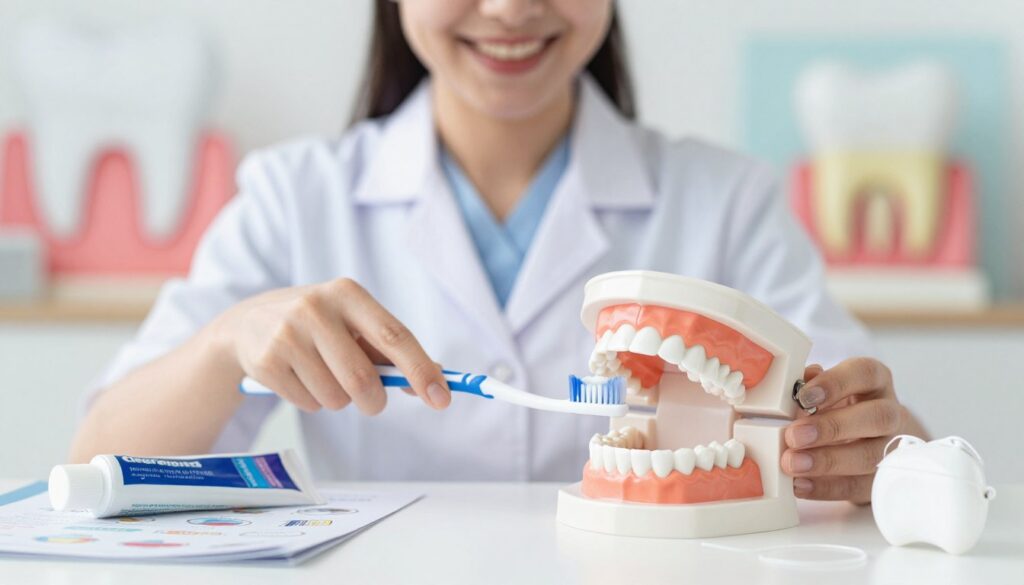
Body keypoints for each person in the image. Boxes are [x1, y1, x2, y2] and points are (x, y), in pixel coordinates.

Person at [71, 0, 927, 504]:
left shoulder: (727, 200)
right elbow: (90, 464)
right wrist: (229, 343)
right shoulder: (295, 196)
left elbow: (895, 444)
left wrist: (871, 447)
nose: (513, 8)